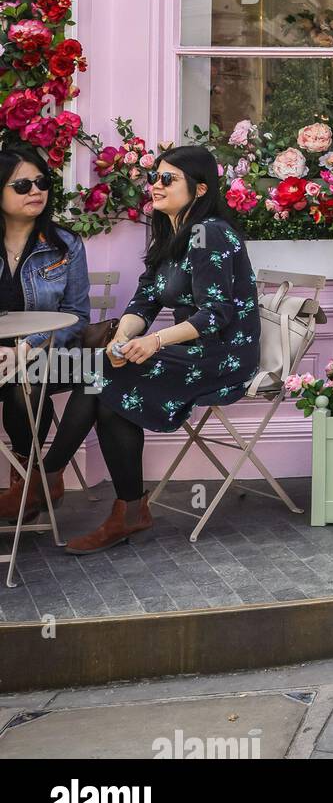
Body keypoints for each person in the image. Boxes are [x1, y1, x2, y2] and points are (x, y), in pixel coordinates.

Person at [39, 146, 261, 554]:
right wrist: (123, 339)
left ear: (200, 189)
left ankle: (47, 481)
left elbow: (218, 313)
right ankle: (126, 511)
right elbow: (144, 301)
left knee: (98, 377)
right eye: (154, 177)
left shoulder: (209, 232)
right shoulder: (172, 232)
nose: (155, 186)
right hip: (191, 348)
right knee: (107, 386)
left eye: (167, 179)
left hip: (222, 355)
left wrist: (155, 340)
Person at [0, 143, 91, 521]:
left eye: (42, 182)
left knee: (30, 382)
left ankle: (31, 478)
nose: (36, 191)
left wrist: (27, 349)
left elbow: (76, 316)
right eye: (22, 186)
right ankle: (34, 480)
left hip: (49, 357)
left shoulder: (65, 245)